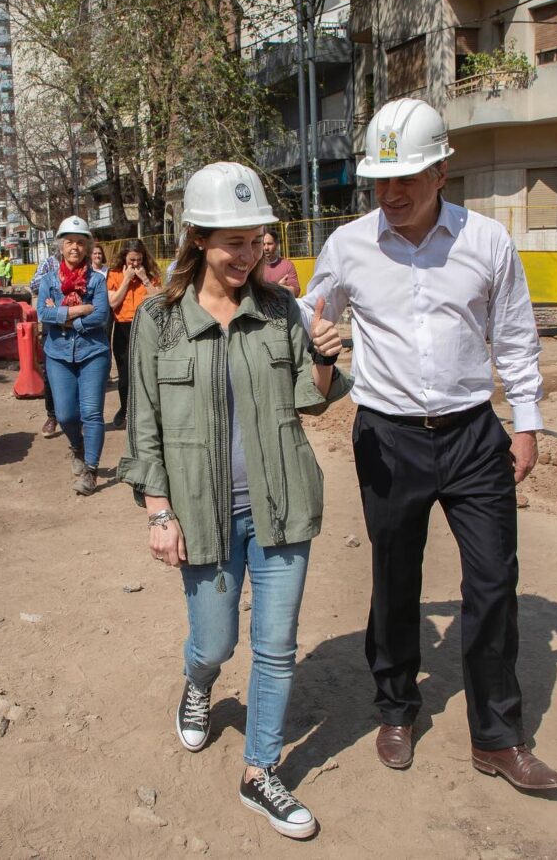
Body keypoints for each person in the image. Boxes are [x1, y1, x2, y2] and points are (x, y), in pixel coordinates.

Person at [300, 99, 557, 792]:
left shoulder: (487, 242)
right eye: (381, 181)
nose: (392, 194)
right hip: (387, 437)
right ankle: (396, 707)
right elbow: (311, 311)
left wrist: (527, 421)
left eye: (408, 177)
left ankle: (498, 735)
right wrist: (310, 333)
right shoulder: (350, 245)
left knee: (493, 580)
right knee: (395, 578)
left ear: (444, 168)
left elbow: (514, 334)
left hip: (475, 434)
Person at [118, 162, 350, 840]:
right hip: (203, 512)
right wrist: (160, 511)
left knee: (276, 647)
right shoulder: (158, 321)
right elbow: (145, 425)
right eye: (234, 243)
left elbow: (310, 398)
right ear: (197, 239)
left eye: (257, 241)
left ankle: (260, 772)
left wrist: (326, 356)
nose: (250, 255)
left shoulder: (279, 310)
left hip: (281, 505)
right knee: (216, 638)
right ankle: (199, 682)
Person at [36, 216, 110, 495]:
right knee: (66, 413)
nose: (75, 248)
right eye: (69, 242)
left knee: (92, 412)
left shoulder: (97, 280)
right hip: (58, 354)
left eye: (80, 243)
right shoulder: (49, 280)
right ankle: (77, 445)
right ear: (61, 246)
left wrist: (65, 319)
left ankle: (90, 471)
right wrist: (78, 311)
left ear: (88, 247)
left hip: (93, 353)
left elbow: (102, 314)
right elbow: (43, 313)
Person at [106, 239, 162, 429]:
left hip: (145, 326)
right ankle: (124, 408)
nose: (135, 264)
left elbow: (160, 300)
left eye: (138, 260)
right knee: (125, 374)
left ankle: (147, 412)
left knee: (146, 371)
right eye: (132, 260)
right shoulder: (114, 274)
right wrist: (127, 279)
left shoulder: (151, 275)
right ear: (124, 258)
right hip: (123, 327)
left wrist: (145, 279)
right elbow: (113, 303)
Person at [30, 250, 61, 437]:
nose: (73, 247)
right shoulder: (49, 264)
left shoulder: (86, 267)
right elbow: (33, 284)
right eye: (68, 241)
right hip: (52, 329)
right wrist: (56, 282)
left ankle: (76, 417)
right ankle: (52, 416)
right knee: (50, 374)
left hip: (78, 329)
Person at [261, 227, 300, 297]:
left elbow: (295, 292)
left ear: (276, 245)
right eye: (263, 244)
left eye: (269, 244)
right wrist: (278, 287)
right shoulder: (255, 266)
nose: (266, 248)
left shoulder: (287, 265)